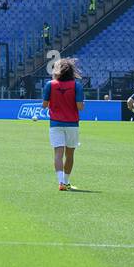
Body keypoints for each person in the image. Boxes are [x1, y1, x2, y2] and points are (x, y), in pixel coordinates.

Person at [42, 58, 84, 191]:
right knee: (70, 154)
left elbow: (44, 105)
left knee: (58, 154)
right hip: (72, 124)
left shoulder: (50, 84)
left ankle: (60, 182)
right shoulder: (76, 85)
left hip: (55, 124)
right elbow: (80, 107)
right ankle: (66, 182)